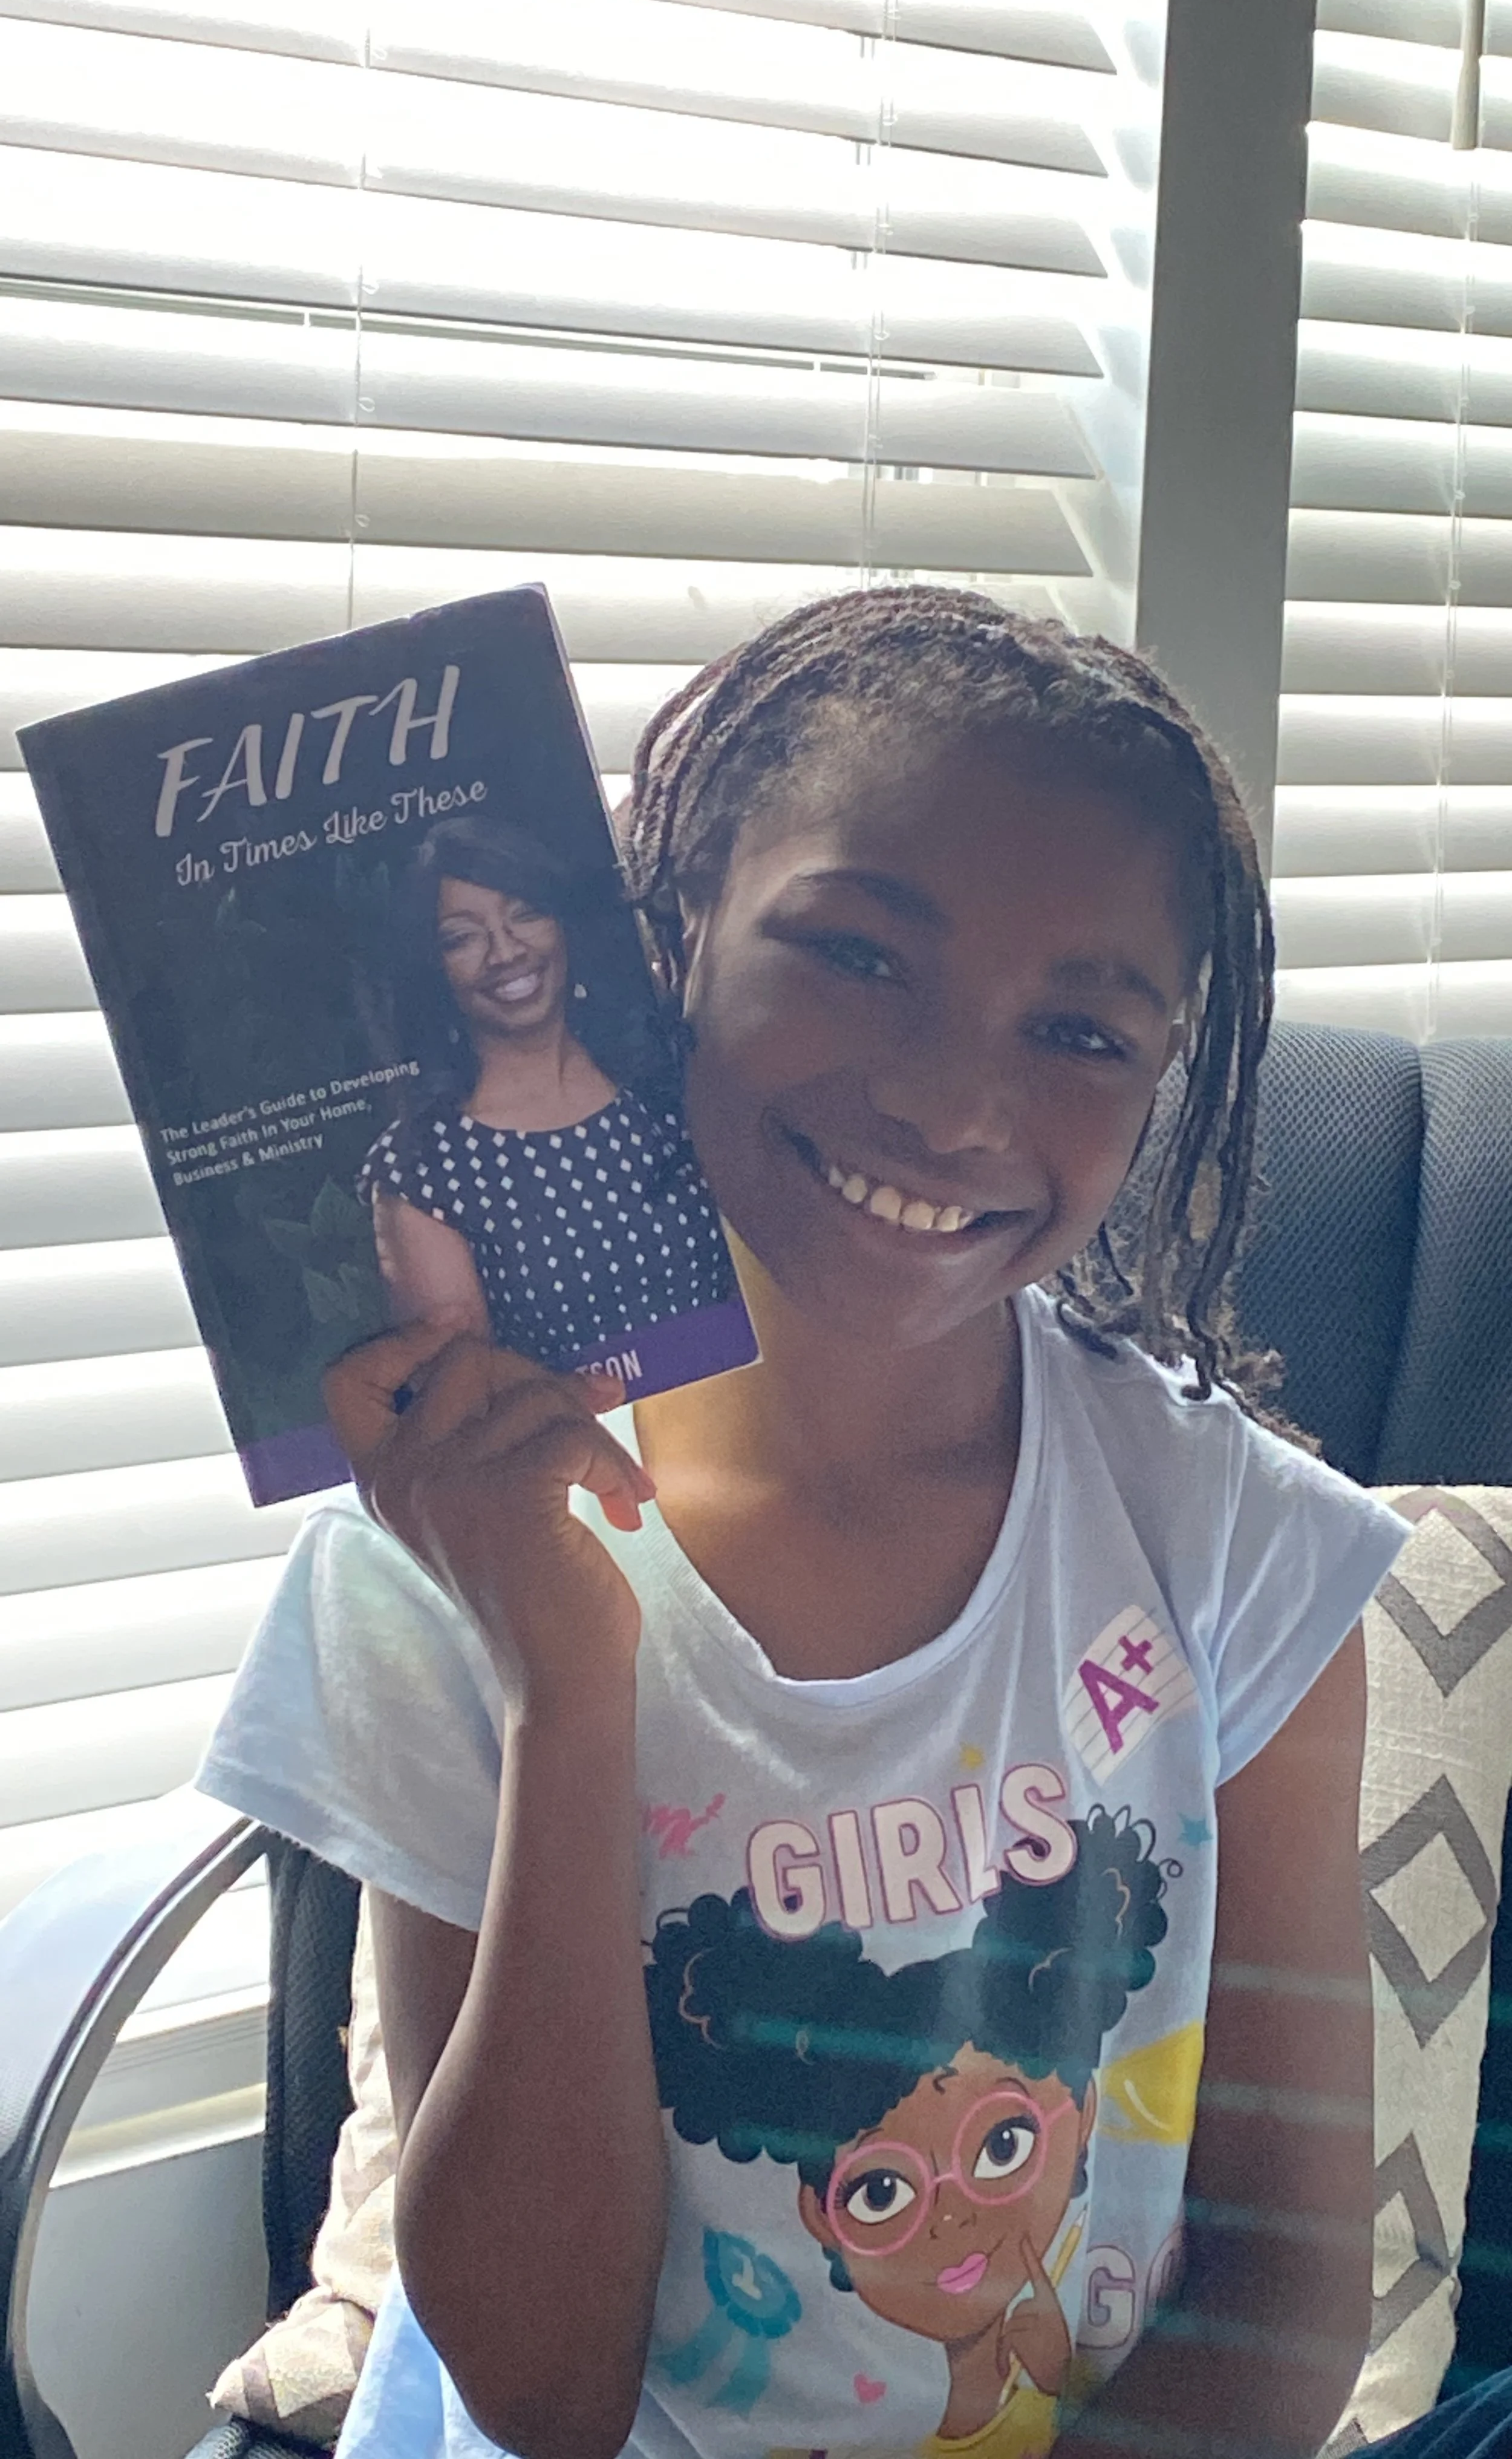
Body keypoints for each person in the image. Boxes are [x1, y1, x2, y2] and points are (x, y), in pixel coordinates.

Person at [198, 587, 1512, 2459]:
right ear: (660, 946)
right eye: (856, 953)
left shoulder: (1233, 1548)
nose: (952, 1096)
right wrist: (564, 1692)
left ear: (1157, 1084)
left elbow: (1273, 2290)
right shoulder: (436, 1556)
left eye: (1077, 1025)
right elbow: (545, 2390)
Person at [357, 814, 738, 1379]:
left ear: (563, 925)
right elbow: (472, 1407)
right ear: (434, 968)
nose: (505, 952)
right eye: (463, 937)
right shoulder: (420, 1169)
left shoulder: (669, 1076)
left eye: (526, 914)